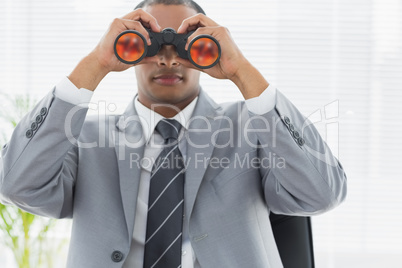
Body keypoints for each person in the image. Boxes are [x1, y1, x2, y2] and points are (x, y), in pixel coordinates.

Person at [0, 0, 347, 267]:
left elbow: (322, 193)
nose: (168, 60)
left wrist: (242, 71)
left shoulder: (253, 128)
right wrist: (96, 63)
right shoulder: (87, 140)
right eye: (147, 46)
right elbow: (15, 185)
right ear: (129, 51)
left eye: (186, 47)